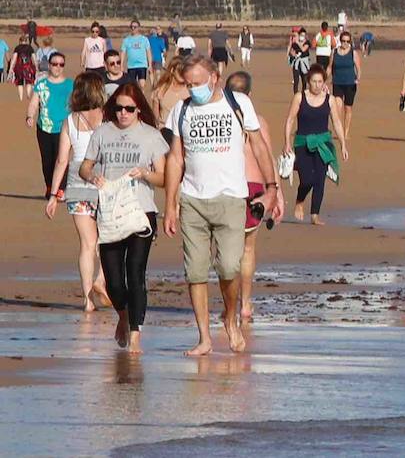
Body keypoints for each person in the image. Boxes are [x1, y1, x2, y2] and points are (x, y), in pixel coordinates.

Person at [164, 54, 279, 356]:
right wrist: (171, 204)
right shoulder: (181, 109)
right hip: (193, 200)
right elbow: (175, 159)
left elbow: (258, 145)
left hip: (230, 198)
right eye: (188, 85)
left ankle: (230, 317)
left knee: (229, 266)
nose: (193, 90)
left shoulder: (237, 103)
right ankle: (204, 337)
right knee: (196, 272)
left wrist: (272, 188)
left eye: (198, 83)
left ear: (214, 77)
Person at [79, 82, 168, 353]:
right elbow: (84, 166)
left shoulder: (151, 135)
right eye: (118, 108)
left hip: (142, 212)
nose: (123, 114)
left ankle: (136, 334)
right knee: (114, 280)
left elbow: (163, 178)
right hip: (109, 213)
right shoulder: (102, 133)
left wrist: (146, 173)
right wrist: (92, 176)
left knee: (136, 271)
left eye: (129, 109)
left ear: (138, 109)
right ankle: (124, 315)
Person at [43, 72, 110, 313]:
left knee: (87, 244)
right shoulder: (107, 117)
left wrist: (53, 196)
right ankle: (101, 280)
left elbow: (62, 160)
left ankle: (88, 300)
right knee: (108, 239)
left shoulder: (70, 121)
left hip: (77, 184)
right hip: (103, 182)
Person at [224, 71, 273, 321]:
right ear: (249, 95)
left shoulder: (220, 120)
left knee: (225, 250)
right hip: (253, 185)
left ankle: (230, 305)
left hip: (227, 186)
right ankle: (245, 303)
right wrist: (275, 193)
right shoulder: (259, 121)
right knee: (248, 249)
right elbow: (268, 158)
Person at [283, 64, 348, 225]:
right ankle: (299, 200)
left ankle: (315, 215)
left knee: (320, 179)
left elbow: (337, 123)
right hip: (302, 142)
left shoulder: (330, 99)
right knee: (307, 179)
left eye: (320, 82)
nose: (317, 85)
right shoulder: (299, 97)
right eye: (314, 81)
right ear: (308, 81)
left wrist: (343, 144)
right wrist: (287, 143)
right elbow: (290, 120)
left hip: (323, 143)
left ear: (324, 82)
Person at [27, 50, 73, 199]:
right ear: (49, 65)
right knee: (47, 160)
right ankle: (49, 185)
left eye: (61, 64)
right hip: (44, 128)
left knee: (61, 159)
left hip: (64, 128)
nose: (57, 67)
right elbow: (34, 103)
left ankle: (60, 188)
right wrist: (30, 116)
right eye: (54, 64)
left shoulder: (71, 85)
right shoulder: (41, 85)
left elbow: (78, 104)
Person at [329, 29, 361, 139]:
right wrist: (323, 80)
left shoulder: (353, 53)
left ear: (350, 42)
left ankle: (346, 132)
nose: (345, 43)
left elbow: (358, 69)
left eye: (347, 41)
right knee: (337, 107)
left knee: (348, 108)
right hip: (337, 82)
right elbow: (329, 67)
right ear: (340, 41)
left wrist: (358, 78)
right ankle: (339, 130)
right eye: (343, 41)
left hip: (350, 84)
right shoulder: (334, 52)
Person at [120, 20, 153, 86]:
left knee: (142, 85)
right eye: (131, 27)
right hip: (131, 66)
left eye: (135, 27)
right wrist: (121, 65)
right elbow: (123, 53)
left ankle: (141, 95)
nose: (133, 28)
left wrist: (150, 65)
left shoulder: (144, 39)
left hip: (142, 65)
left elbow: (148, 52)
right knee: (132, 85)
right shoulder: (126, 40)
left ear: (138, 28)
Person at [12, 33, 36, 100]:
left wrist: (11, 68)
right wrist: (36, 67)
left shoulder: (17, 48)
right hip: (28, 67)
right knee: (29, 82)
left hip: (19, 68)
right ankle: (28, 95)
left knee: (20, 83)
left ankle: (21, 98)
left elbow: (14, 59)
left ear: (20, 41)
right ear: (26, 41)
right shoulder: (30, 47)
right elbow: (34, 58)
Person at [288, 28, 312, 94]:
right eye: (301, 35)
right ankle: (295, 95)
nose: (302, 37)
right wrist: (292, 54)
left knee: (304, 81)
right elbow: (291, 50)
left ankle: (304, 94)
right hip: (296, 63)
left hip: (304, 63)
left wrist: (298, 43)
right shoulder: (294, 43)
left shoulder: (307, 43)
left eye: (303, 35)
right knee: (296, 81)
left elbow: (304, 49)